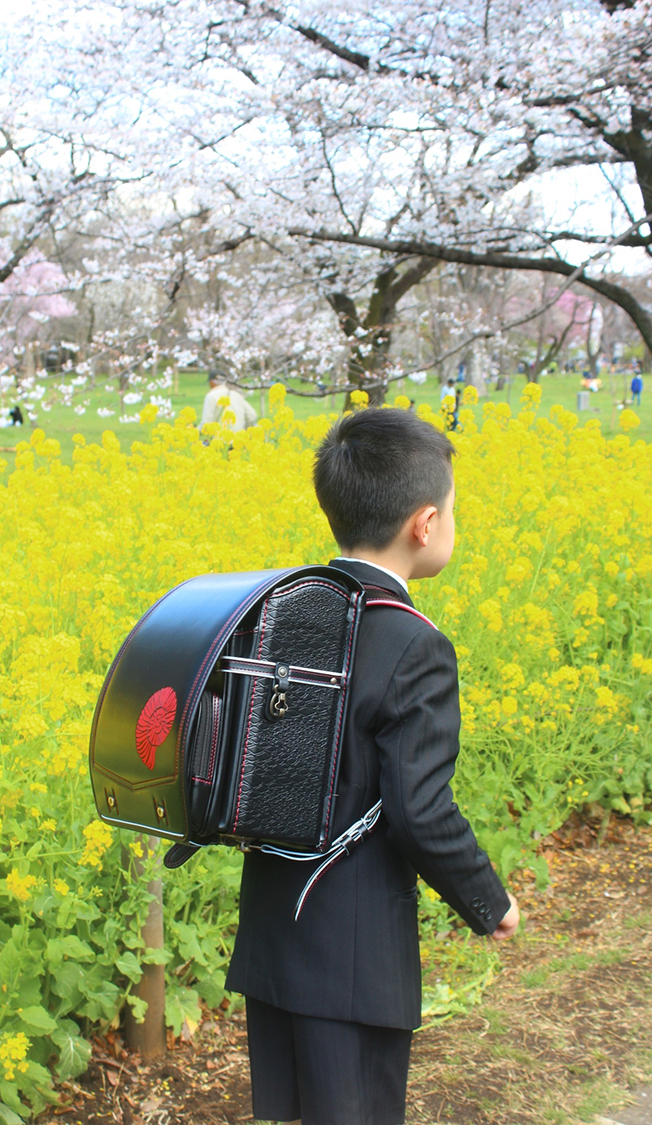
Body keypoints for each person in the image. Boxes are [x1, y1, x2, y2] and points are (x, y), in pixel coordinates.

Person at [226, 407, 519, 1125]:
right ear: (425, 524)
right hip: (353, 959)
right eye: (452, 509)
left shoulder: (281, 613)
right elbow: (419, 808)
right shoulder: (415, 645)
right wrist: (489, 900)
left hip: (274, 934)